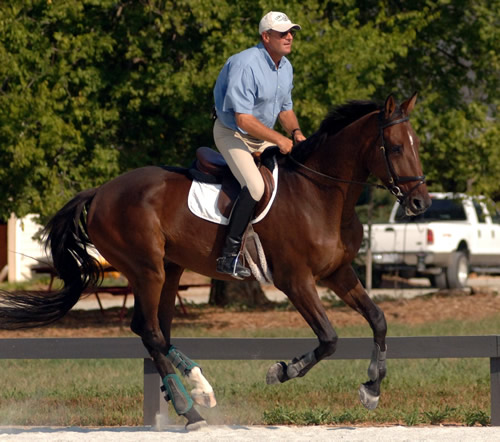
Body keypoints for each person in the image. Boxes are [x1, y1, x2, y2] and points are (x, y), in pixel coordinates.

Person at [213, 11, 307, 279]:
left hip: (261, 134)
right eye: (282, 33)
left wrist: (296, 132)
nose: (289, 37)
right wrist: (279, 138)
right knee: (255, 187)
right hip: (233, 133)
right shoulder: (245, 63)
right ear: (266, 37)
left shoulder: (285, 66)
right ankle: (228, 256)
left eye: (291, 32)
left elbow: (285, 110)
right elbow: (243, 119)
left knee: (294, 175)